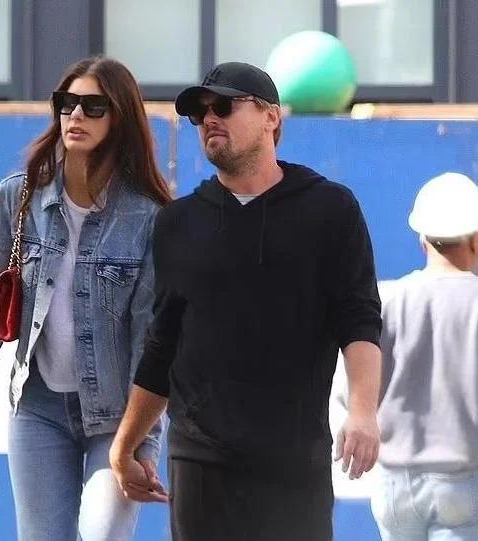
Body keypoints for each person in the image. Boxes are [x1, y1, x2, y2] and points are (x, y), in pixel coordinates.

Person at [109, 61, 382, 541]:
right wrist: (125, 444)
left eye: (224, 106)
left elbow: (359, 319)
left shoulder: (330, 210)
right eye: (200, 113)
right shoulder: (177, 223)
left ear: (271, 117)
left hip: (295, 461)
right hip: (201, 461)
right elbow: (162, 345)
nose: (209, 119)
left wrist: (363, 410)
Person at [0, 56, 171, 541]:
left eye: (94, 106)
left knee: (103, 534)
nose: (77, 115)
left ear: (120, 118)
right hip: (39, 408)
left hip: (117, 418)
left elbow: (151, 344)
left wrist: (144, 442)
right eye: (67, 103)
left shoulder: (148, 216)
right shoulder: (19, 198)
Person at [371, 172, 478, 541]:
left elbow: (358, 386)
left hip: (393, 483)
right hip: (462, 479)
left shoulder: (386, 300)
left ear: (422, 240)